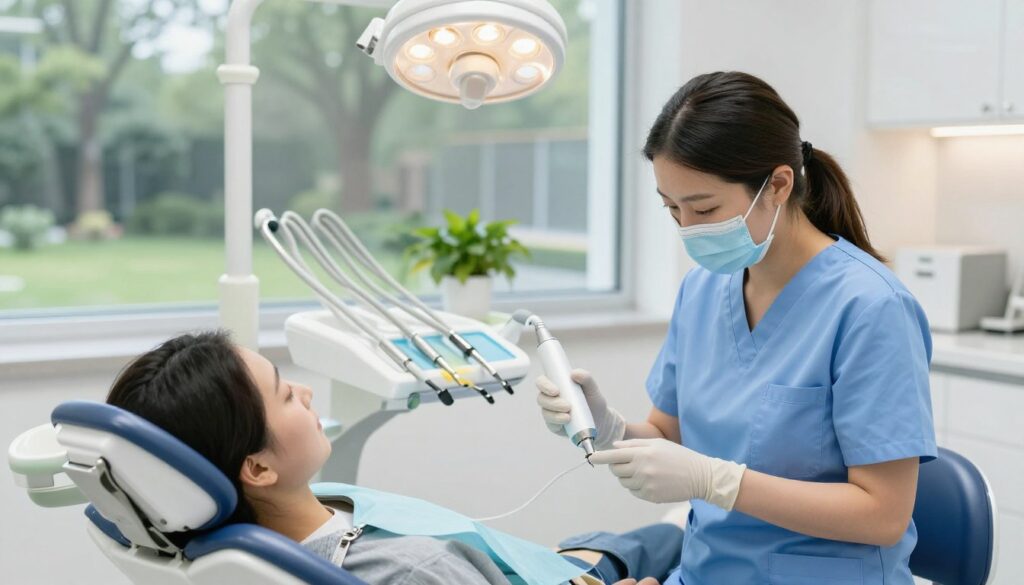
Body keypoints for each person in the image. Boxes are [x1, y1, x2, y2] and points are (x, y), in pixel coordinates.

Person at [536, 71, 936, 585]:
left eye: (704, 207)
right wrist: (608, 426)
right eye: (672, 208)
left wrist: (718, 480)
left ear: (778, 185)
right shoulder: (703, 290)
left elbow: (883, 515)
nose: (688, 227)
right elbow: (667, 434)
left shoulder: (871, 308)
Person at [106, 330, 680, 585]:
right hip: (575, 577)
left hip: (546, 563)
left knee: (662, 533)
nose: (304, 392)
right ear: (256, 469)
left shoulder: (250, 546)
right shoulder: (409, 572)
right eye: (285, 393)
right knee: (701, 531)